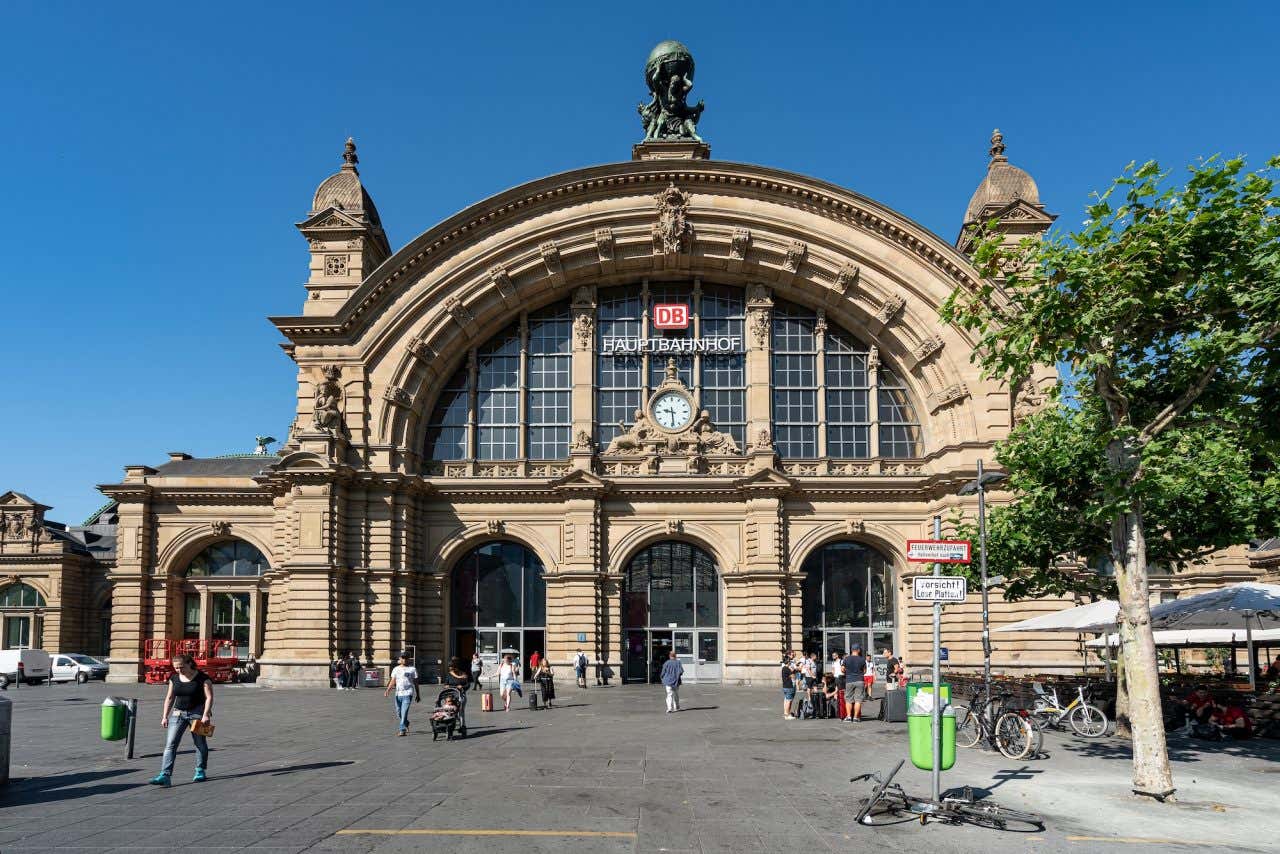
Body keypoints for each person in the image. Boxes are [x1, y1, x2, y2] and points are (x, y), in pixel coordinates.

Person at [149, 653, 214, 786]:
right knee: (170, 744)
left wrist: (206, 714)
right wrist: (164, 716)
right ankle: (165, 775)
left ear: (190, 663)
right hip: (178, 713)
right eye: (176, 668)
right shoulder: (174, 678)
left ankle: (200, 770)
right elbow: (170, 698)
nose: (179, 670)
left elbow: (209, 697)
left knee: (200, 743)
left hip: (198, 714)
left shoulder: (203, 678)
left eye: (181, 667)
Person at [383, 653, 420, 736]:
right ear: (400, 659)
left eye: (406, 658)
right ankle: (406, 722)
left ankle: (402, 730)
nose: (404, 660)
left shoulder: (412, 669)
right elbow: (393, 681)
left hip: (408, 693)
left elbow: (416, 683)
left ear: (408, 659)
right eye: (402, 658)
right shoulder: (396, 669)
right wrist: (387, 690)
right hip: (398, 693)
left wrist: (418, 694)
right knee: (399, 712)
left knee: (404, 712)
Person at [843, 645, 867, 722]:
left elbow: (842, 669)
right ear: (858, 650)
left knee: (848, 700)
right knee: (858, 700)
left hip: (849, 680)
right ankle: (856, 718)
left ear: (852, 650)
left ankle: (849, 717)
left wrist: (847, 672)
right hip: (860, 680)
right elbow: (864, 671)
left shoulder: (846, 659)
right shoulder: (862, 659)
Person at [781, 650, 796, 720]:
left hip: (785, 686)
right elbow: (793, 676)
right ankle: (787, 715)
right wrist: (792, 672)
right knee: (789, 700)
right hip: (789, 686)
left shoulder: (784, 668)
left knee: (787, 700)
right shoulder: (787, 668)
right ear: (788, 662)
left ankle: (786, 713)